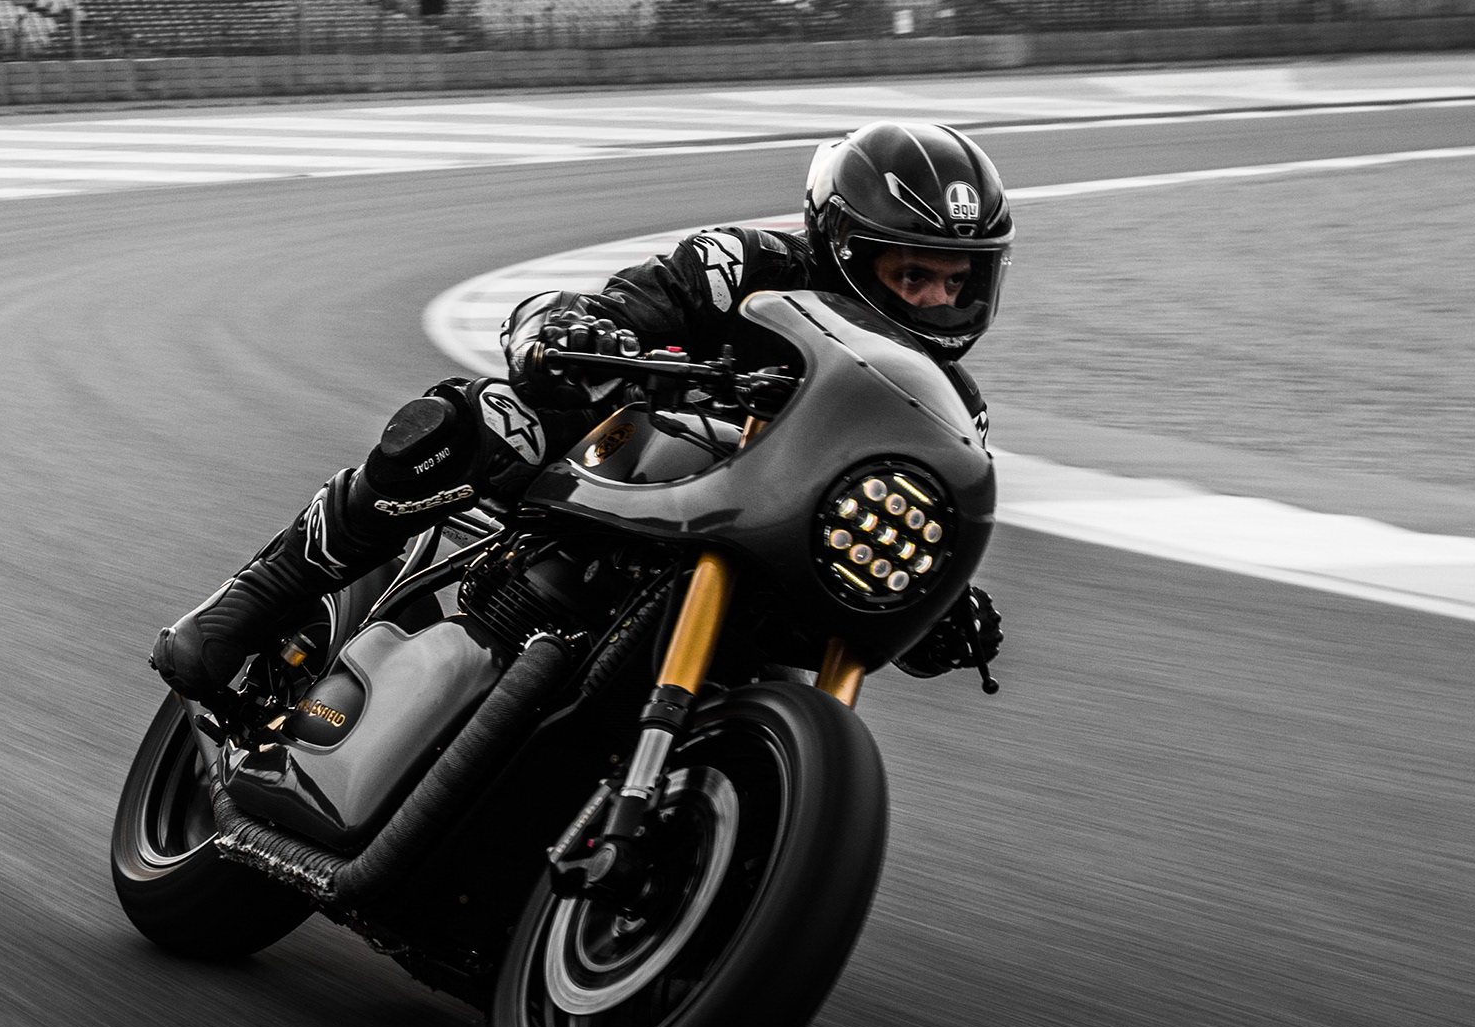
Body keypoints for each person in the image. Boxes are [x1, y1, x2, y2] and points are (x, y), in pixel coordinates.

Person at [151, 117, 1014, 705]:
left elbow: (902, 517)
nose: (937, 301)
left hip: (760, 565)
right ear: (841, 247)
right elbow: (611, 307)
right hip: (627, 481)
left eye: (956, 281)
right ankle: (258, 598)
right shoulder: (743, 267)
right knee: (490, 418)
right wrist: (567, 332)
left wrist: (941, 606)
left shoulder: (948, 408)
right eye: (912, 274)